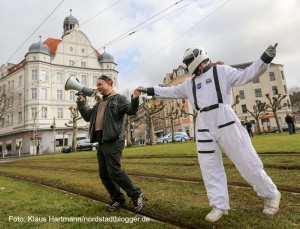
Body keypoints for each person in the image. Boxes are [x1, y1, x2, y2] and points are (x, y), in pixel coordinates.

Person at [136, 44, 281, 222]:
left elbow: (246, 75)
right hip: (203, 122)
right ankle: (219, 205)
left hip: (225, 118)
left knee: (246, 159)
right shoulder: (189, 83)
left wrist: (264, 59)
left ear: (198, 58)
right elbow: (170, 91)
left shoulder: (221, 71)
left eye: (188, 61)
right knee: (209, 166)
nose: (188, 64)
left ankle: (271, 193)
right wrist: (149, 90)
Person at [76, 75, 145, 212]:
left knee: (115, 172)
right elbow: (88, 117)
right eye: (97, 85)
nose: (98, 87)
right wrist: (81, 102)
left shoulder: (119, 99)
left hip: (114, 140)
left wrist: (135, 99)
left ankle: (137, 194)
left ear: (109, 83)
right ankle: (118, 199)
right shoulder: (99, 103)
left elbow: (131, 111)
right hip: (101, 140)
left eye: (100, 84)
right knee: (104, 174)